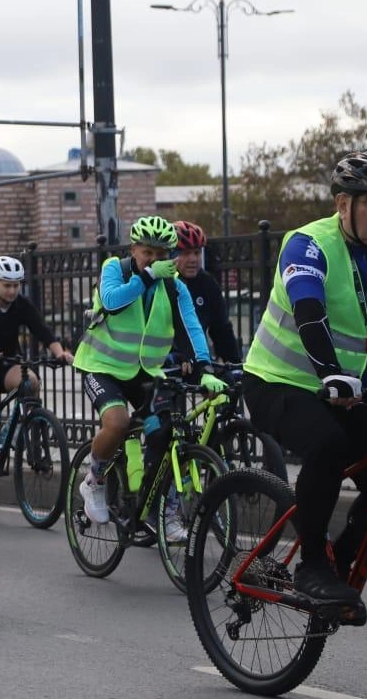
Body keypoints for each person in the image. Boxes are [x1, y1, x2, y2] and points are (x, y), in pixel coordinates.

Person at [243, 149, 367, 621]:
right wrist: (329, 371)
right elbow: (309, 312)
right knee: (328, 445)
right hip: (279, 382)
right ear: (343, 204)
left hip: (355, 389)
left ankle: (337, 570)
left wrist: (343, 382)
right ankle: (311, 567)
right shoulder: (308, 244)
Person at [72, 215, 212, 535]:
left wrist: (204, 367)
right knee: (117, 423)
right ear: (133, 249)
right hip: (102, 366)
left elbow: (191, 326)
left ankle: (158, 509)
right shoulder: (115, 269)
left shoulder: (174, 286)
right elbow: (112, 302)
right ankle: (94, 479)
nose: (154, 259)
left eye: (162, 254)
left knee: (165, 433)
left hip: (144, 372)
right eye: (147, 252)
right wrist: (146, 277)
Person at [0, 255, 73, 502]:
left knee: (30, 382)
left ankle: (27, 429)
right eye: (7, 285)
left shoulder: (21, 304)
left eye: (16, 285)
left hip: (6, 361)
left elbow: (42, 330)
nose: (12, 291)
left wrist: (59, 353)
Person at [169, 221, 243, 365]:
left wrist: (234, 363)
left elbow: (221, 329)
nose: (193, 259)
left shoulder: (207, 283)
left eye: (197, 253)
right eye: (185, 253)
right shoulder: (162, 284)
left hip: (197, 360)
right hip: (164, 361)